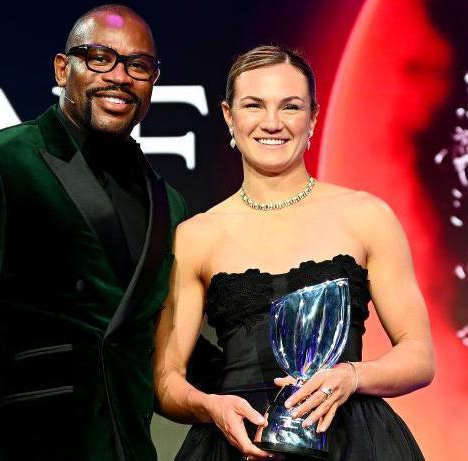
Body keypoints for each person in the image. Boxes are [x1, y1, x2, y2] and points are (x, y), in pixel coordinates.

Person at [0, 5, 188, 460]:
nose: (120, 76)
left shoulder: (166, 202)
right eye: (100, 57)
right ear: (63, 68)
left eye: (139, 65)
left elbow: (160, 336)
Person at [153, 45, 435, 461]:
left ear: (313, 119)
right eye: (254, 105)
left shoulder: (365, 216)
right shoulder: (197, 235)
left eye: (290, 107)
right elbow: (165, 380)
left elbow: (419, 355)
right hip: (237, 444)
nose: (272, 123)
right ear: (229, 116)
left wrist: (352, 376)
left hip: (352, 444)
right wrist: (210, 406)